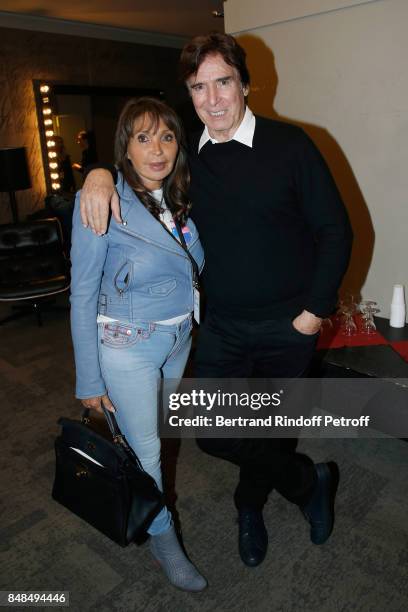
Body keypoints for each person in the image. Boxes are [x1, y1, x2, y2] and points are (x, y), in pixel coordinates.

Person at [79, 34, 353, 568]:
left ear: (245, 84)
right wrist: (95, 173)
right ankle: (308, 482)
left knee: (271, 430)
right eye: (198, 87)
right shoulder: (186, 159)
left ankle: (248, 506)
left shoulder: (291, 145)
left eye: (222, 82)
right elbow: (136, 163)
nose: (212, 99)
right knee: (212, 433)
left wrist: (313, 312)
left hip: (287, 325)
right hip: (223, 328)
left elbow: (336, 232)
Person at [70, 97, 206, 591]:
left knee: (157, 436)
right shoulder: (102, 199)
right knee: (146, 452)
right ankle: (166, 545)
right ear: (124, 146)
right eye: (143, 137)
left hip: (177, 341)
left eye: (167, 137)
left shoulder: (178, 198)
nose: (157, 149)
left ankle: (154, 509)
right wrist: (89, 380)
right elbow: (82, 294)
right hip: (127, 345)